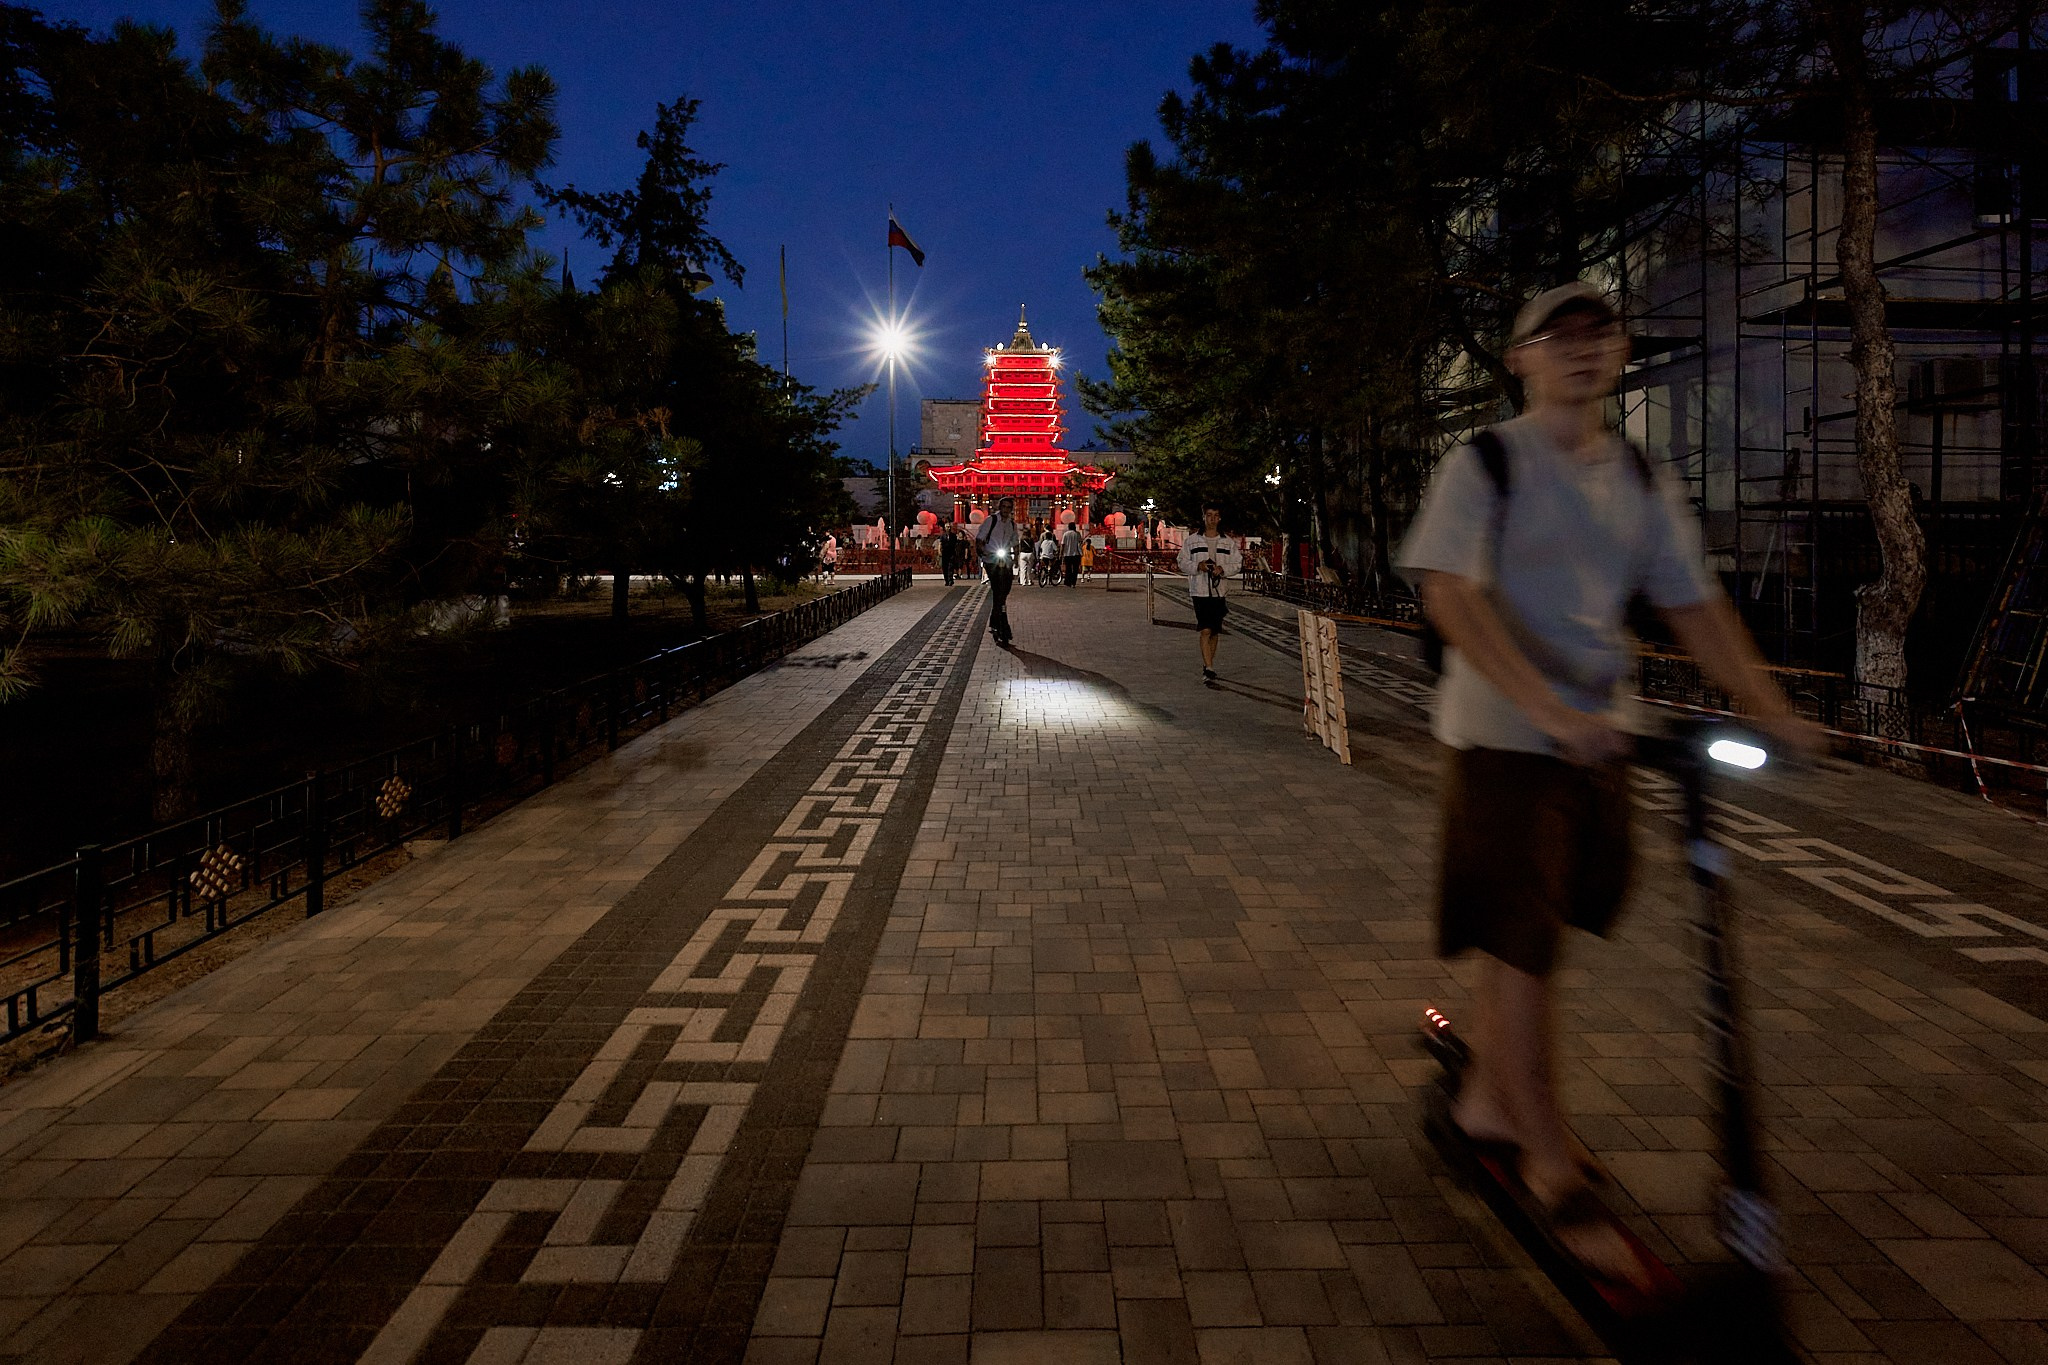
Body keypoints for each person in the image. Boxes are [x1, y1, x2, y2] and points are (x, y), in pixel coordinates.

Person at [1396, 281, 1816, 1290]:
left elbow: (1691, 603)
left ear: (1619, 351)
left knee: (1542, 941)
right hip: (1506, 741)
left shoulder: (1634, 473)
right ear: (1519, 357)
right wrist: (1546, 714)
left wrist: (1772, 709)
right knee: (1521, 950)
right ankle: (1538, 1151)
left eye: (1600, 332)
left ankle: (1494, 1100)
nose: (1581, 348)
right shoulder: (1486, 461)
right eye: (1558, 334)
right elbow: (1446, 591)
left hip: (1601, 743)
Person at [1176, 503, 1242, 682]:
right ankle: (1209, 668)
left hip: (1219, 592)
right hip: (1200, 591)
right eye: (1209, 515)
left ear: (1219, 518)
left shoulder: (1227, 542)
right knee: (1205, 629)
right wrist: (1198, 566)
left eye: (1215, 515)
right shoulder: (1192, 541)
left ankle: (1208, 664)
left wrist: (1222, 569)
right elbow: (1181, 561)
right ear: (1204, 517)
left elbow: (1237, 564)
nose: (1212, 519)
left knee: (1214, 630)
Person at [973, 496, 1023, 645]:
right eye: (1004, 507)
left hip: (1005, 559)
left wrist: (1016, 558)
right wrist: (983, 552)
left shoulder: (1012, 524)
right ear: (999, 507)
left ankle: (995, 621)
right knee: (998, 590)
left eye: (1009, 507)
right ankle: (1001, 625)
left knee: (1004, 591)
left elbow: (1015, 542)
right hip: (991, 559)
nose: (1006, 510)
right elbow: (980, 539)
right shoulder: (991, 520)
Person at [1061, 519, 1084, 587]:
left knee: (1068, 568)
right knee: (1075, 569)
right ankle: (1073, 582)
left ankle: (1068, 582)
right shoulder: (1077, 534)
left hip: (1067, 554)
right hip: (1076, 554)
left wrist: (1061, 553)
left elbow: (1063, 544)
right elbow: (1080, 544)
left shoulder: (1065, 534)